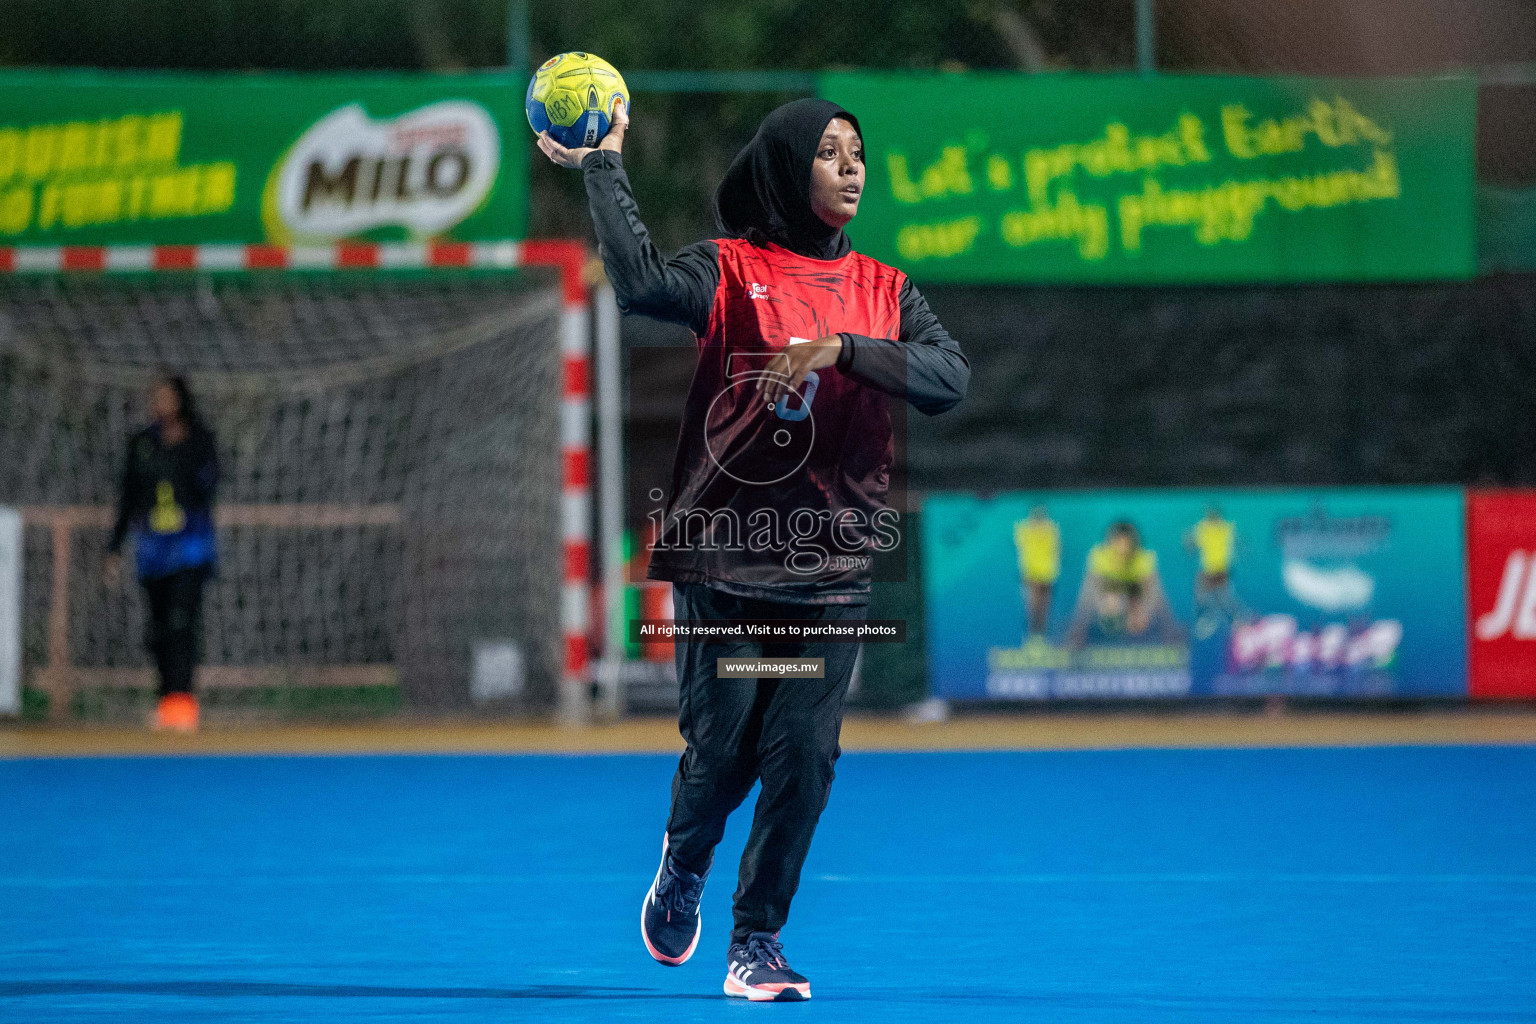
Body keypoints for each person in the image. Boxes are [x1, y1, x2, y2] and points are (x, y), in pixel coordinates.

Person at [538, 97, 967, 1001]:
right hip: (726, 564)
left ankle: (756, 942)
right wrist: (602, 165)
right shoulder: (730, 270)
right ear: (784, 171)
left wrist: (844, 351)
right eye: (829, 153)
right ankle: (684, 862)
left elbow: (948, 378)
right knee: (724, 752)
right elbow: (644, 284)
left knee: (804, 761)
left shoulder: (887, 294)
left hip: (832, 576)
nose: (852, 168)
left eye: (859, 151)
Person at [105, 372, 219, 733]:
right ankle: (165, 701)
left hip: (189, 547)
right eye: (157, 397)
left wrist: (185, 459)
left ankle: (183, 703)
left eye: (168, 396)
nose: (161, 403)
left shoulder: (199, 439)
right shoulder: (141, 443)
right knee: (157, 629)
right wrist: (114, 548)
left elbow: (210, 485)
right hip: (153, 549)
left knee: (182, 622)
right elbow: (127, 498)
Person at [1066, 520, 1180, 648]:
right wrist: (1102, 606)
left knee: (1158, 595)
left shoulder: (1145, 558)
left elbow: (1153, 593)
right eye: (1118, 543)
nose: (1122, 548)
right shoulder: (1099, 555)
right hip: (1109, 591)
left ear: (1135, 544)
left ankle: (1172, 635)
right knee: (1087, 592)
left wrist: (1144, 613)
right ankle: (1075, 635)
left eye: (1126, 543)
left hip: (1134, 593)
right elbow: (1091, 590)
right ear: (1109, 542)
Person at [1013, 505, 1060, 639]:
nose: (1038, 522)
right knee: (1033, 608)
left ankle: (1040, 636)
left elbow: (1056, 550)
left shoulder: (1051, 530)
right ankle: (1032, 635)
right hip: (1030, 576)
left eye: (1041, 518)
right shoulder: (1023, 530)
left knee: (1043, 609)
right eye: (1036, 518)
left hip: (1047, 576)